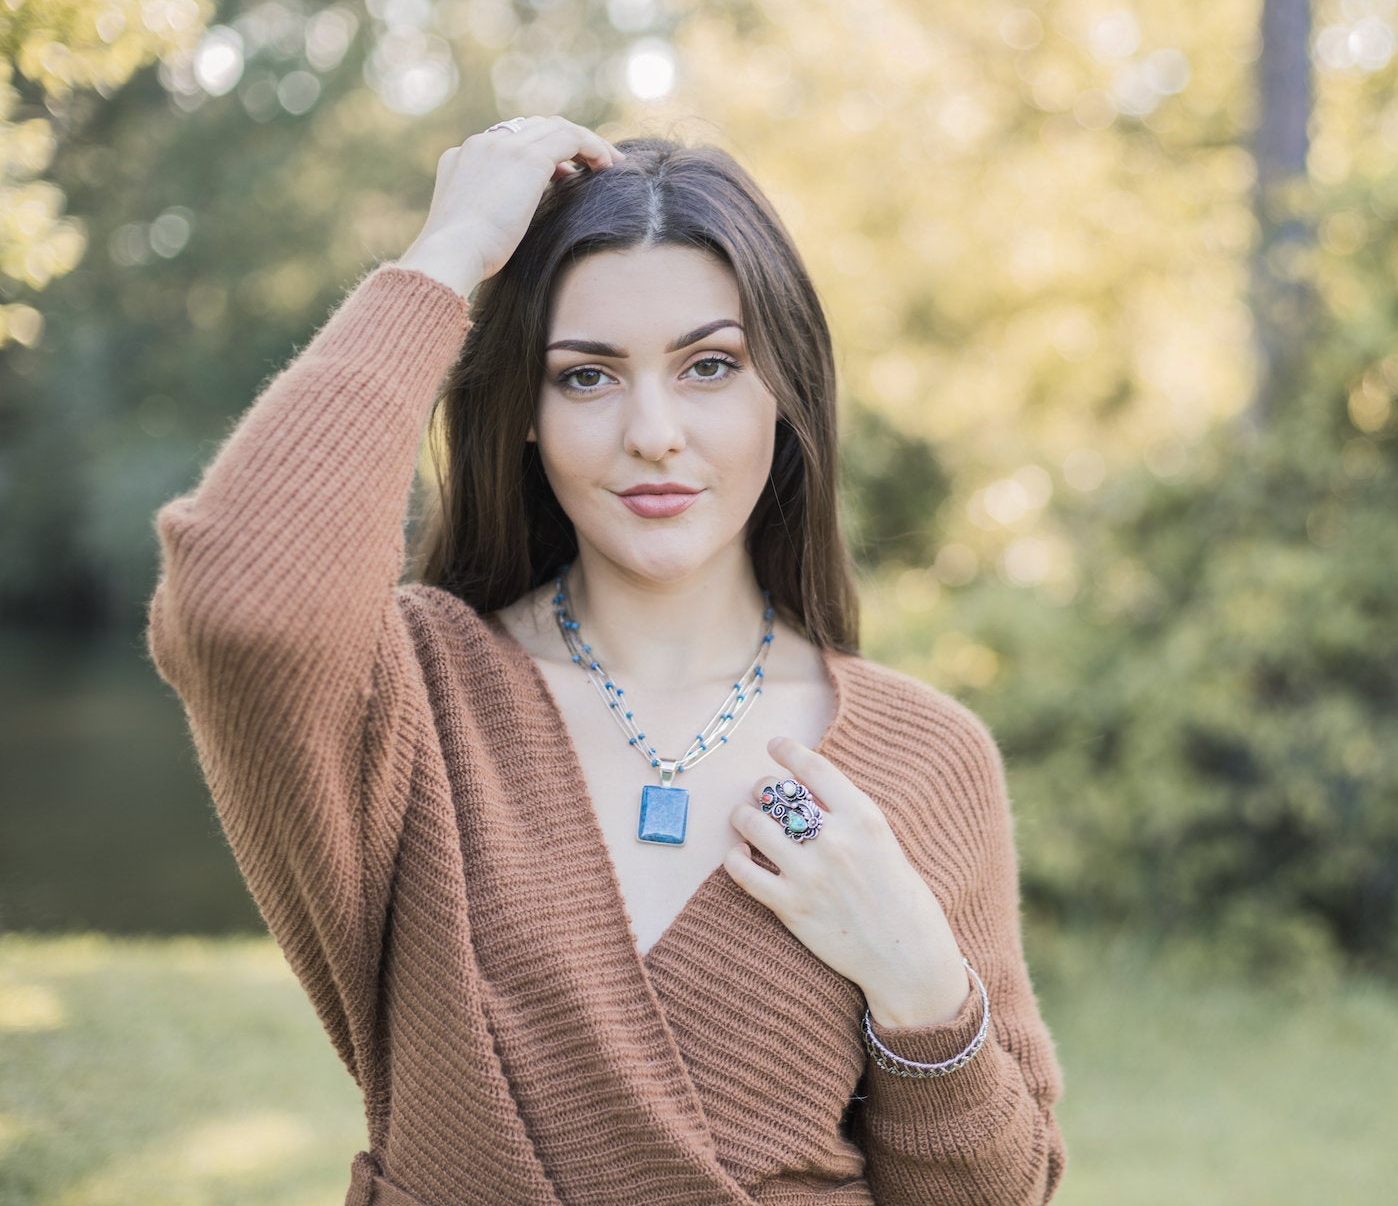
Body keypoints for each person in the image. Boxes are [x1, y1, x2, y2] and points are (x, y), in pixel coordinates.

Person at [144, 116, 1067, 1206]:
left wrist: (921, 986)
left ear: (786, 392)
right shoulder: (415, 701)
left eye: (710, 366)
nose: (656, 431)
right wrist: (445, 258)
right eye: (586, 377)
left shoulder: (924, 761)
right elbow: (242, 602)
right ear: (524, 413)